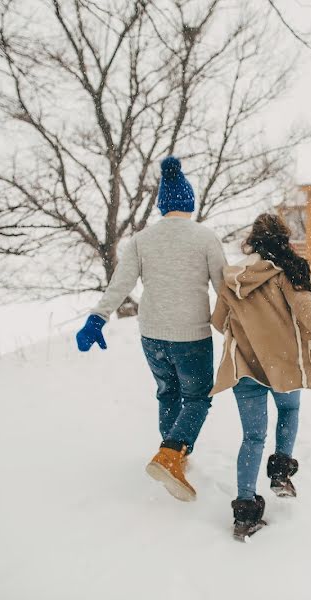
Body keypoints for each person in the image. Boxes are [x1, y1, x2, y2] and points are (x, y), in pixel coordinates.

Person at [75, 156, 226, 502]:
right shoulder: (205, 237)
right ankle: (171, 455)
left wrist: (97, 318)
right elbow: (224, 289)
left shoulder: (142, 240)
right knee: (197, 397)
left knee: (168, 393)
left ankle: (171, 457)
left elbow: (120, 283)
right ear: (189, 203)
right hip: (191, 336)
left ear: (162, 206)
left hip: (152, 335)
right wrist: (241, 325)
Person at [210, 213, 311, 540]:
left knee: (252, 437)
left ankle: (244, 511)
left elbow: (218, 320)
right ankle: (280, 471)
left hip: (244, 367)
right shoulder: (285, 270)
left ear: (251, 240)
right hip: (282, 364)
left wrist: (248, 325)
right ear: (283, 238)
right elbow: (306, 304)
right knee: (289, 410)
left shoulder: (233, 276)